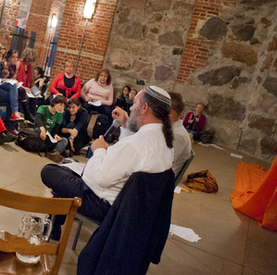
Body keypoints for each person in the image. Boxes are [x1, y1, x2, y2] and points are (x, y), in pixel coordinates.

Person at [40, 86, 174, 240]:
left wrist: (99, 150)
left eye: (135, 103)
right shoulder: (164, 142)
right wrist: (125, 123)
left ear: (144, 108)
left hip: (104, 205)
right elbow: (128, 156)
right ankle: (54, 226)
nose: (131, 107)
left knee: (50, 171)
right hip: (130, 209)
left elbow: (101, 178)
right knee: (67, 173)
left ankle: (53, 227)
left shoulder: (135, 144)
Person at [0, 49, 24, 132]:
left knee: (15, 95)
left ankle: (10, 125)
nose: (15, 59)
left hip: (8, 86)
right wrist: (13, 81)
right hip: (0, 84)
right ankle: (15, 113)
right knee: (13, 89)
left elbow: (14, 78)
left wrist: (15, 82)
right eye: (13, 57)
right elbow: (3, 78)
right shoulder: (5, 64)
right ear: (8, 58)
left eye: (17, 57)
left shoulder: (14, 66)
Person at [35, 94, 69, 163]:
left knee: (64, 140)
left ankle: (55, 153)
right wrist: (42, 129)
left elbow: (56, 129)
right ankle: (53, 149)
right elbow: (38, 119)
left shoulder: (60, 114)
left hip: (49, 136)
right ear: (54, 103)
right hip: (40, 132)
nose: (62, 108)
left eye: (63, 106)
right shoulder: (43, 108)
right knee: (38, 131)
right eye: (60, 105)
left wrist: (55, 135)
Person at [168, 92, 192, 176]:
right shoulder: (170, 129)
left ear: (171, 113)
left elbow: (162, 164)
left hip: (162, 181)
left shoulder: (178, 135)